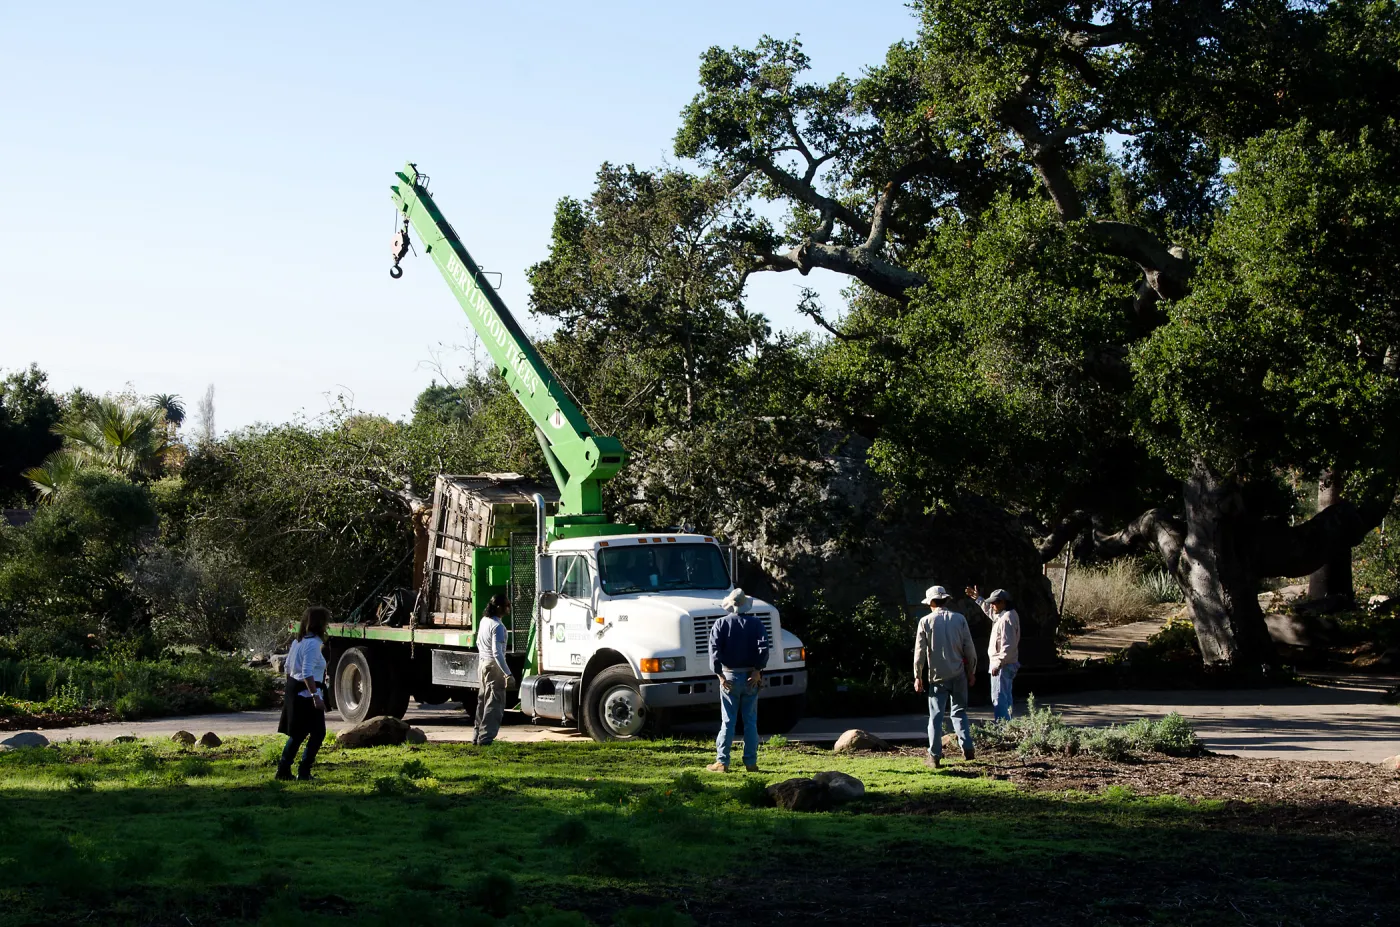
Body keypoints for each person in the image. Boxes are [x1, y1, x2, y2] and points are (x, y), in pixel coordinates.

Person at [706, 587, 769, 773]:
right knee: (750, 721)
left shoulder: (719, 624)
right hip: (751, 675)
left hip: (729, 675)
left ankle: (722, 762)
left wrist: (720, 675)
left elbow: (714, 652)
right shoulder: (757, 624)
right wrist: (758, 671)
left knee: (728, 721)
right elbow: (763, 649)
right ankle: (751, 762)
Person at [913, 585, 977, 768]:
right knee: (959, 712)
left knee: (935, 717)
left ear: (932, 602)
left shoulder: (925, 622)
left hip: (937, 677)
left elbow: (920, 652)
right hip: (958, 674)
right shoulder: (960, 619)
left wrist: (918, 676)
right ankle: (968, 748)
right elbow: (969, 649)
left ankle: (934, 755)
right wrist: (971, 671)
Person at [276, 606, 330, 781]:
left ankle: (284, 769)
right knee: (318, 733)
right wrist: (316, 697)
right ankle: (304, 770)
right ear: (320, 623)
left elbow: (287, 668)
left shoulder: (297, 641)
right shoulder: (313, 644)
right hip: (307, 694)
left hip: (296, 691)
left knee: (298, 733)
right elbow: (307, 672)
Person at [968, 585, 1021, 722]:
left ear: (1003, 602)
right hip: (1006, 663)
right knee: (1005, 698)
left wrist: (998, 664)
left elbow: (1007, 646)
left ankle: (1002, 728)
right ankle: (1007, 727)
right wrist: (978, 599)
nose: (991, 606)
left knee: (999, 698)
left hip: (1002, 665)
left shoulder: (1006, 619)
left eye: (994, 603)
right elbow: (991, 613)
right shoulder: (1005, 614)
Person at [474, 593, 514, 746]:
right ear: (498, 607)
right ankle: (485, 739)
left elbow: (478, 642)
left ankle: (476, 734)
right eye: (506, 605)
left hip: (483, 663)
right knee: (494, 704)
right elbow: (497, 652)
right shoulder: (497, 627)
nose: (508, 608)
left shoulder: (484, 621)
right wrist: (508, 673)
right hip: (493, 665)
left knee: (482, 701)